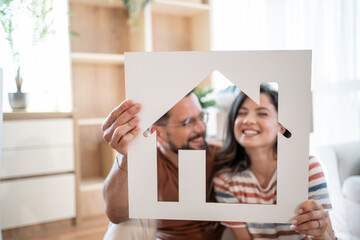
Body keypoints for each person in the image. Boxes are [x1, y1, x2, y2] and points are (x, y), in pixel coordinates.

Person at [213, 85, 336, 240]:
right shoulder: (225, 181)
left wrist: (320, 232)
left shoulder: (307, 168)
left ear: (281, 126)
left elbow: (328, 236)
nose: (248, 120)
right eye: (242, 113)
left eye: (262, 113)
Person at [101, 91, 224, 240]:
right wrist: (126, 155)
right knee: (122, 226)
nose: (201, 128)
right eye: (189, 122)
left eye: (201, 118)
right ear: (158, 134)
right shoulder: (150, 161)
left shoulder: (220, 155)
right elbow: (116, 213)